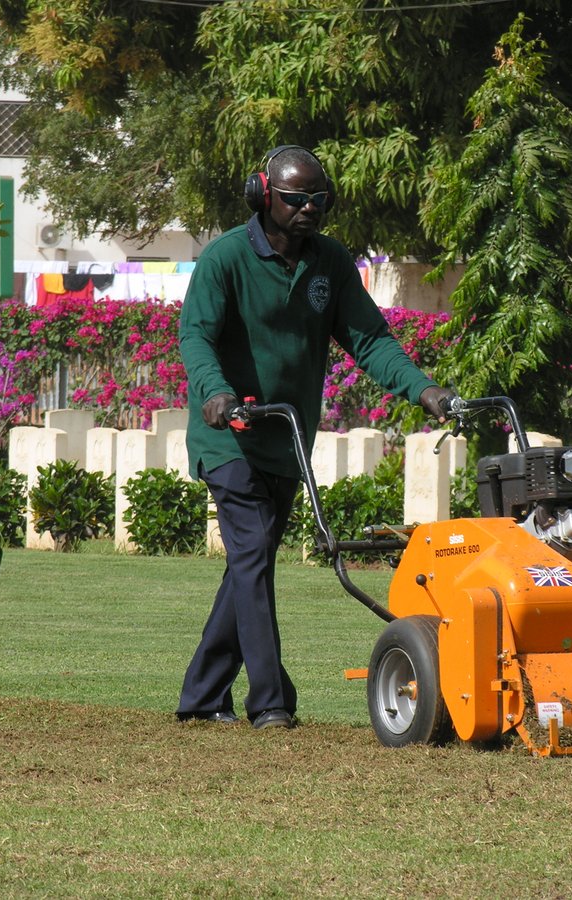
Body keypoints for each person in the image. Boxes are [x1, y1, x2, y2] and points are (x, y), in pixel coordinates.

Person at [176, 145, 453, 729]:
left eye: (318, 199)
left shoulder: (330, 262)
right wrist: (216, 393)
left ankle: (201, 696)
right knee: (253, 558)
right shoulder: (225, 258)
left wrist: (425, 391)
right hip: (229, 437)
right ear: (263, 195)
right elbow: (196, 336)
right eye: (295, 198)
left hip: (287, 439)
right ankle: (271, 701)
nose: (309, 208)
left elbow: (370, 339)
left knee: (249, 565)